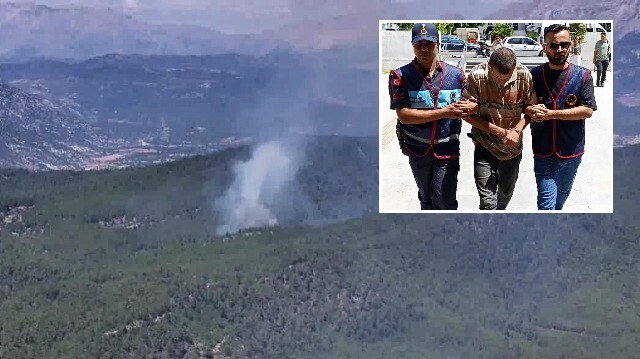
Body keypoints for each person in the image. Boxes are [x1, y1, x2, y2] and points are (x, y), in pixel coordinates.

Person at [388, 23, 470, 210]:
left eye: (429, 44)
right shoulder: (401, 76)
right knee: (426, 198)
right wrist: (444, 112)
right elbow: (404, 116)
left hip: (447, 148)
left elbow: (470, 102)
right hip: (417, 148)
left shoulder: (456, 75)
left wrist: (472, 106)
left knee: (445, 199)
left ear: (438, 45)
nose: (424, 49)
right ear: (412, 45)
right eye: (419, 44)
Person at [458, 47, 537, 210]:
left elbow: (531, 109)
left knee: (505, 194)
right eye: (496, 78)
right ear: (489, 65)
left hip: (512, 149)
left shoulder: (524, 75)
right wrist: (500, 132)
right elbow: (466, 114)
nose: (501, 84)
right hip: (484, 145)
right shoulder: (476, 76)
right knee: (488, 202)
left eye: (506, 79)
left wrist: (516, 130)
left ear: (514, 69)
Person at [528, 24, 597, 210]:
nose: (560, 50)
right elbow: (527, 106)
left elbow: (588, 110)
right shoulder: (534, 75)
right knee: (546, 204)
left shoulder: (583, 76)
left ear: (570, 45)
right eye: (554, 45)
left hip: (572, 150)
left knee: (562, 196)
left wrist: (551, 114)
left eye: (564, 45)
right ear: (544, 47)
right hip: (543, 151)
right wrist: (531, 111)